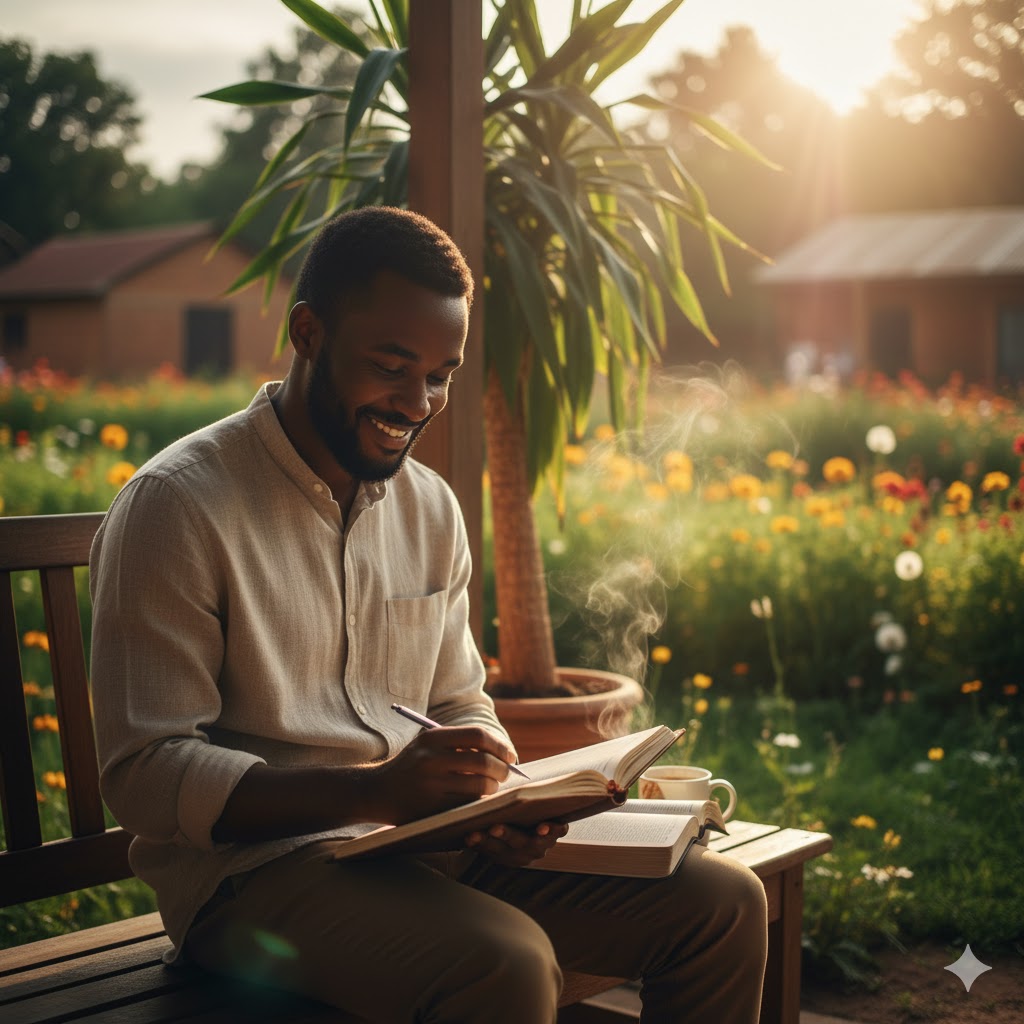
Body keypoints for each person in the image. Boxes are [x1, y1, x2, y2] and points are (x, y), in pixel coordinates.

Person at [90, 206, 767, 1023]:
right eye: (391, 365)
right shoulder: (179, 505)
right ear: (309, 333)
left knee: (723, 903)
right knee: (506, 966)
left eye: (441, 374)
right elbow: (147, 774)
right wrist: (375, 791)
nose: (418, 401)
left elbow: (458, 699)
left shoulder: (430, 508)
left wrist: (498, 791)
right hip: (249, 881)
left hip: (422, 846)